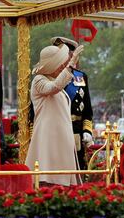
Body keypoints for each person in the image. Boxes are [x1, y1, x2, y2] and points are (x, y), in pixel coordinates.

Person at [25, 43, 85, 186]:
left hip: (60, 138)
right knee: (49, 179)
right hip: (48, 138)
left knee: (63, 181)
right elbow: (54, 88)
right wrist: (71, 65)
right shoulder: (39, 80)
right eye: (58, 64)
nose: (61, 67)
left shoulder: (52, 79)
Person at [52, 36, 94, 170]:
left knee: (77, 169)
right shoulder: (48, 76)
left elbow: (87, 109)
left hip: (75, 130)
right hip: (54, 130)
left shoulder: (81, 77)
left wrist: (87, 130)